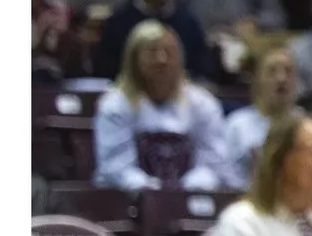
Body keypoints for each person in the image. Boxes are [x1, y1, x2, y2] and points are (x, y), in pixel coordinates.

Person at [94, 21, 229, 191]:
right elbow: (116, 168)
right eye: (152, 53)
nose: (161, 60)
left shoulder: (203, 104)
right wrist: (156, 195)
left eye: (169, 52)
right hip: (124, 200)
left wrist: (183, 192)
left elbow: (213, 163)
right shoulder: (114, 105)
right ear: (134, 59)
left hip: (190, 198)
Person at [216, 40, 301, 188]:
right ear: (256, 79)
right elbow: (223, 175)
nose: (282, 79)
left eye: (288, 71)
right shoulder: (237, 125)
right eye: (272, 71)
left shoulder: (306, 125)